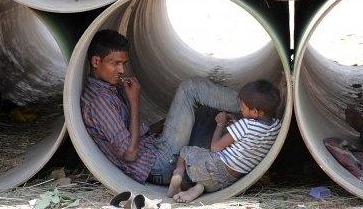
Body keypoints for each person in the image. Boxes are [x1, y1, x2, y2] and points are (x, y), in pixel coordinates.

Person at [80, 29, 251, 186]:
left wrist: (170, 120)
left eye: (123, 63)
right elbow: (130, 154)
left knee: (206, 112)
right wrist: (134, 101)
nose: (121, 70)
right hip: (158, 164)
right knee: (190, 88)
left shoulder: (106, 89)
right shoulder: (99, 102)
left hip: (156, 148)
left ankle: (249, 129)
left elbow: (138, 134)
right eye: (115, 63)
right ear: (96, 61)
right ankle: (252, 106)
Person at [167, 80, 282, 203]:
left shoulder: (245, 125)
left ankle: (178, 174)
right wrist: (236, 125)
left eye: (242, 107)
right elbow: (250, 138)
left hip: (214, 168)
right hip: (228, 181)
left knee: (185, 151)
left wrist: (220, 125)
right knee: (208, 177)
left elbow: (215, 147)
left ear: (255, 112)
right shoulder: (276, 126)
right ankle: (199, 187)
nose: (240, 109)